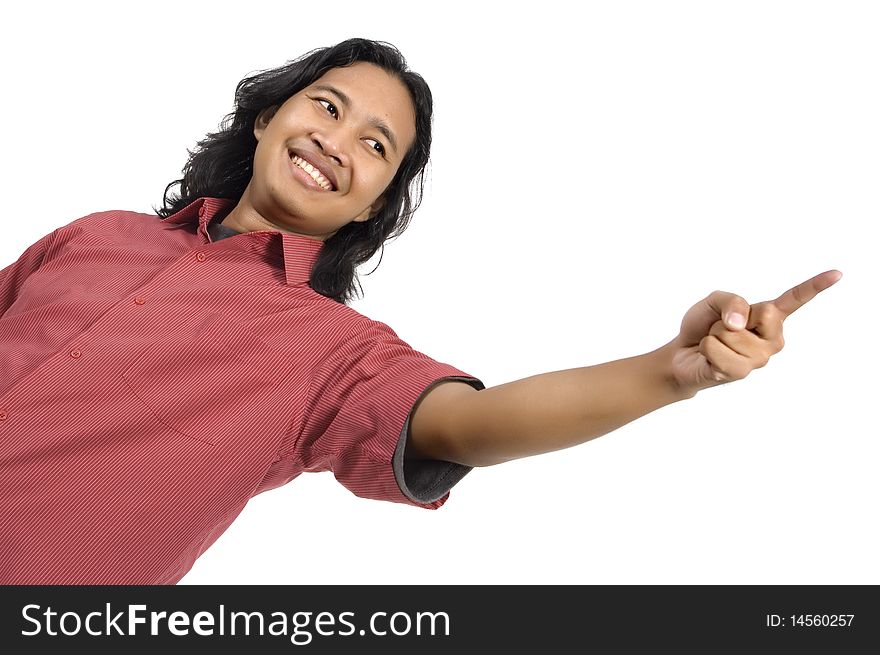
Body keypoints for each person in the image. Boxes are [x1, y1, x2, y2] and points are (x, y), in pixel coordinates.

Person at [0, 37, 841, 585]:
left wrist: (669, 371)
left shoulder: (329, 353)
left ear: (373, 205)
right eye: (326, 107)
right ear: (267, 117)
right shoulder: (95, 235)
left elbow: (470, 424)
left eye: (375, 145)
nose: (335, 141)